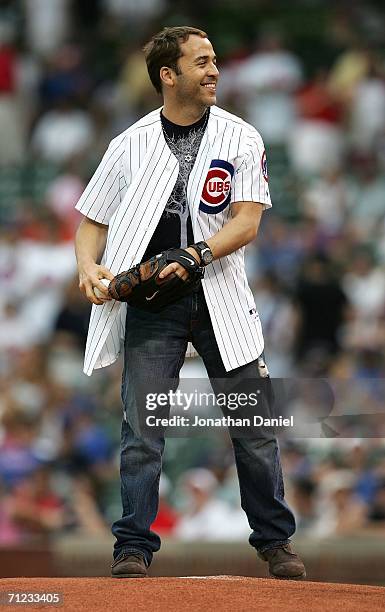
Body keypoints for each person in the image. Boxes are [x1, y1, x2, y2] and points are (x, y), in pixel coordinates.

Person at [74, 26, 305, 580]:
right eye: (200, 62)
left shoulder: (242, 136)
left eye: (215, 60)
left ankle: (275, 543)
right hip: (152, 299)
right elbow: (91, 221)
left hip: (218, 290)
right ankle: (132, 546)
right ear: (167, 75)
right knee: (142, 431)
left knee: (253, 426)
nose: (213, 71)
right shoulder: (128, 143)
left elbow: (248, 221)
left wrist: (196, 254)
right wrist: (88, 266)